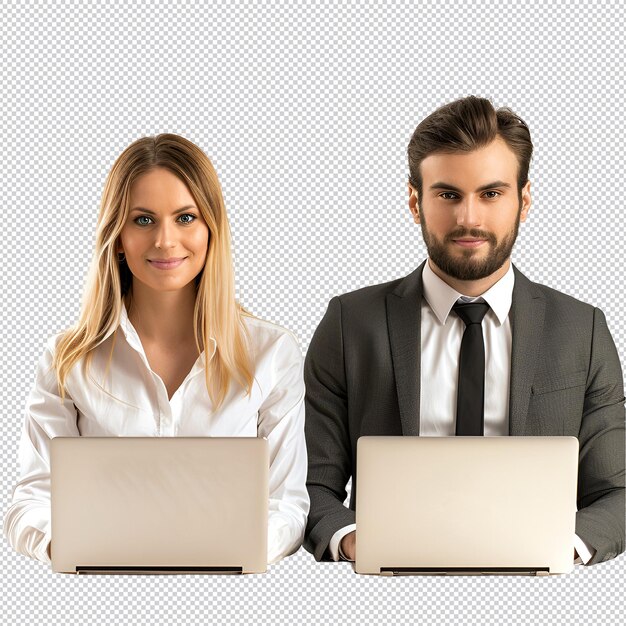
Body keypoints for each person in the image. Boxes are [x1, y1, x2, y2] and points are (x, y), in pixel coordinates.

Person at [303, 96, 625, 566]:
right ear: (415, 201)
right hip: (388, 588)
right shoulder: (350, 324)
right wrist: (352, 539)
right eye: (448, 194)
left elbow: (617, 492)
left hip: (536, 591)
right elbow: (309, 485)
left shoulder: (582, 329)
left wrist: (563, 548)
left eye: (491, 194)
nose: (469, 219)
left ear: (525, 201)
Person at [4, 134, 309, 565]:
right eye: (143, 220)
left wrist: (238, 549)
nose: (166, 241)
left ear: (211, 228)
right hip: (102, 587)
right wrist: (66, 546)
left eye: (185, 218)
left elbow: (288, 505)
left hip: (227, 589)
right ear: (117, 236)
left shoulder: (271, 352)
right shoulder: (68, 358)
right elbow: (32, 499)